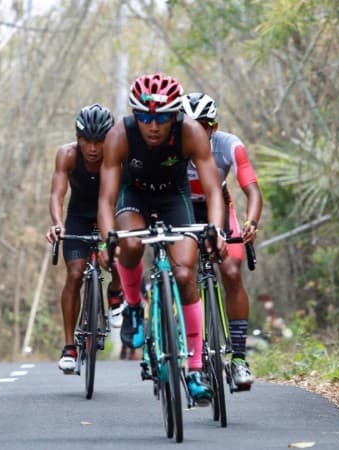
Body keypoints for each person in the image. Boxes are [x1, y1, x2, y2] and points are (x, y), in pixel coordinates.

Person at [97, 73, 227, 405]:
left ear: (175, 115)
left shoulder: (191, 132)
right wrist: (106, 237)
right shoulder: (119, 135)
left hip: (173, 197)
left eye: (162, 117)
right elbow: (106, 199)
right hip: (134, 196)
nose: (152, 126)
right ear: (134, 115)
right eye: (144, 116)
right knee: (130, 243)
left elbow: (213, 190)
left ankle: (195, 369)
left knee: (185, 273)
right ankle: (133, 308)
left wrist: (215, 230)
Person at [182, 92, 263, 391]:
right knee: (184, 273)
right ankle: (195, 351)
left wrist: (251, 223)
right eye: (190, 123)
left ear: (213, 127)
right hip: (184, 209)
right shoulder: (173, 145)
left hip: (220, 208)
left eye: (202, 125)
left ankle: (239, 358)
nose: (196, 130)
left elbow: (252, 191)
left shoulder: (230, 144)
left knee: (230, 270)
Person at [46, 104, 125, 374]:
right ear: (77, 138)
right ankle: (69, 346)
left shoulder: (118, 157)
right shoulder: (67, 155)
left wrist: (108, 239)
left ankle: (115, 291)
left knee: (116, 257)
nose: (92, 148)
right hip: (79, 216)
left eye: (99, 141)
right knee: (75, 273)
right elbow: (57, 195)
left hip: (110, 213)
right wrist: (58, 225)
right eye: (86, 141)